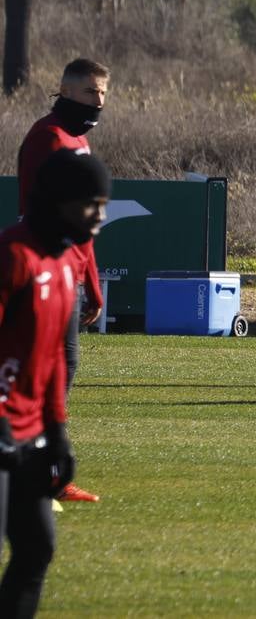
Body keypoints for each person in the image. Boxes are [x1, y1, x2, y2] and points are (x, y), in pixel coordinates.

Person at [0, 150, 109, 615]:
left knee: (38, 547)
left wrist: (58, 435)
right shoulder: (13, 254)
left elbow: (52, 364)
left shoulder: (67, 262)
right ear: (61, 202)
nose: (100, 217)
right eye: (91, 205)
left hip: (30, 434)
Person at [15, 58, 110, 503]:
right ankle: (31, 466)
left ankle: (48, 469)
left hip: (67, 270)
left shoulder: (78, 140)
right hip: (42, 269)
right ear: (66, 91)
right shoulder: (50, 137)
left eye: (104, 93)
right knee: (35, 367)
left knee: (63, 367)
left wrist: (90, 281)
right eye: (92, 92)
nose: (100, 101)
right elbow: (54, 214)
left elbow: (83, 224)